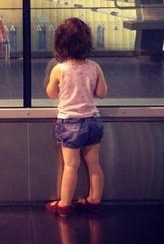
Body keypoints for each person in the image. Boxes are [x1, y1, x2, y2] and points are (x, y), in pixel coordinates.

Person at [45, 18, 108, 217]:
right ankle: (94, 200)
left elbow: (51, 93)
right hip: (92, 121)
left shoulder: (59, 69)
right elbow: (102, 92)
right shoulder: (94, 67)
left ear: (61, 43)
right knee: (94, 164)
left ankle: (64, 205)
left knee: (71, 165)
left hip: (70, 122)